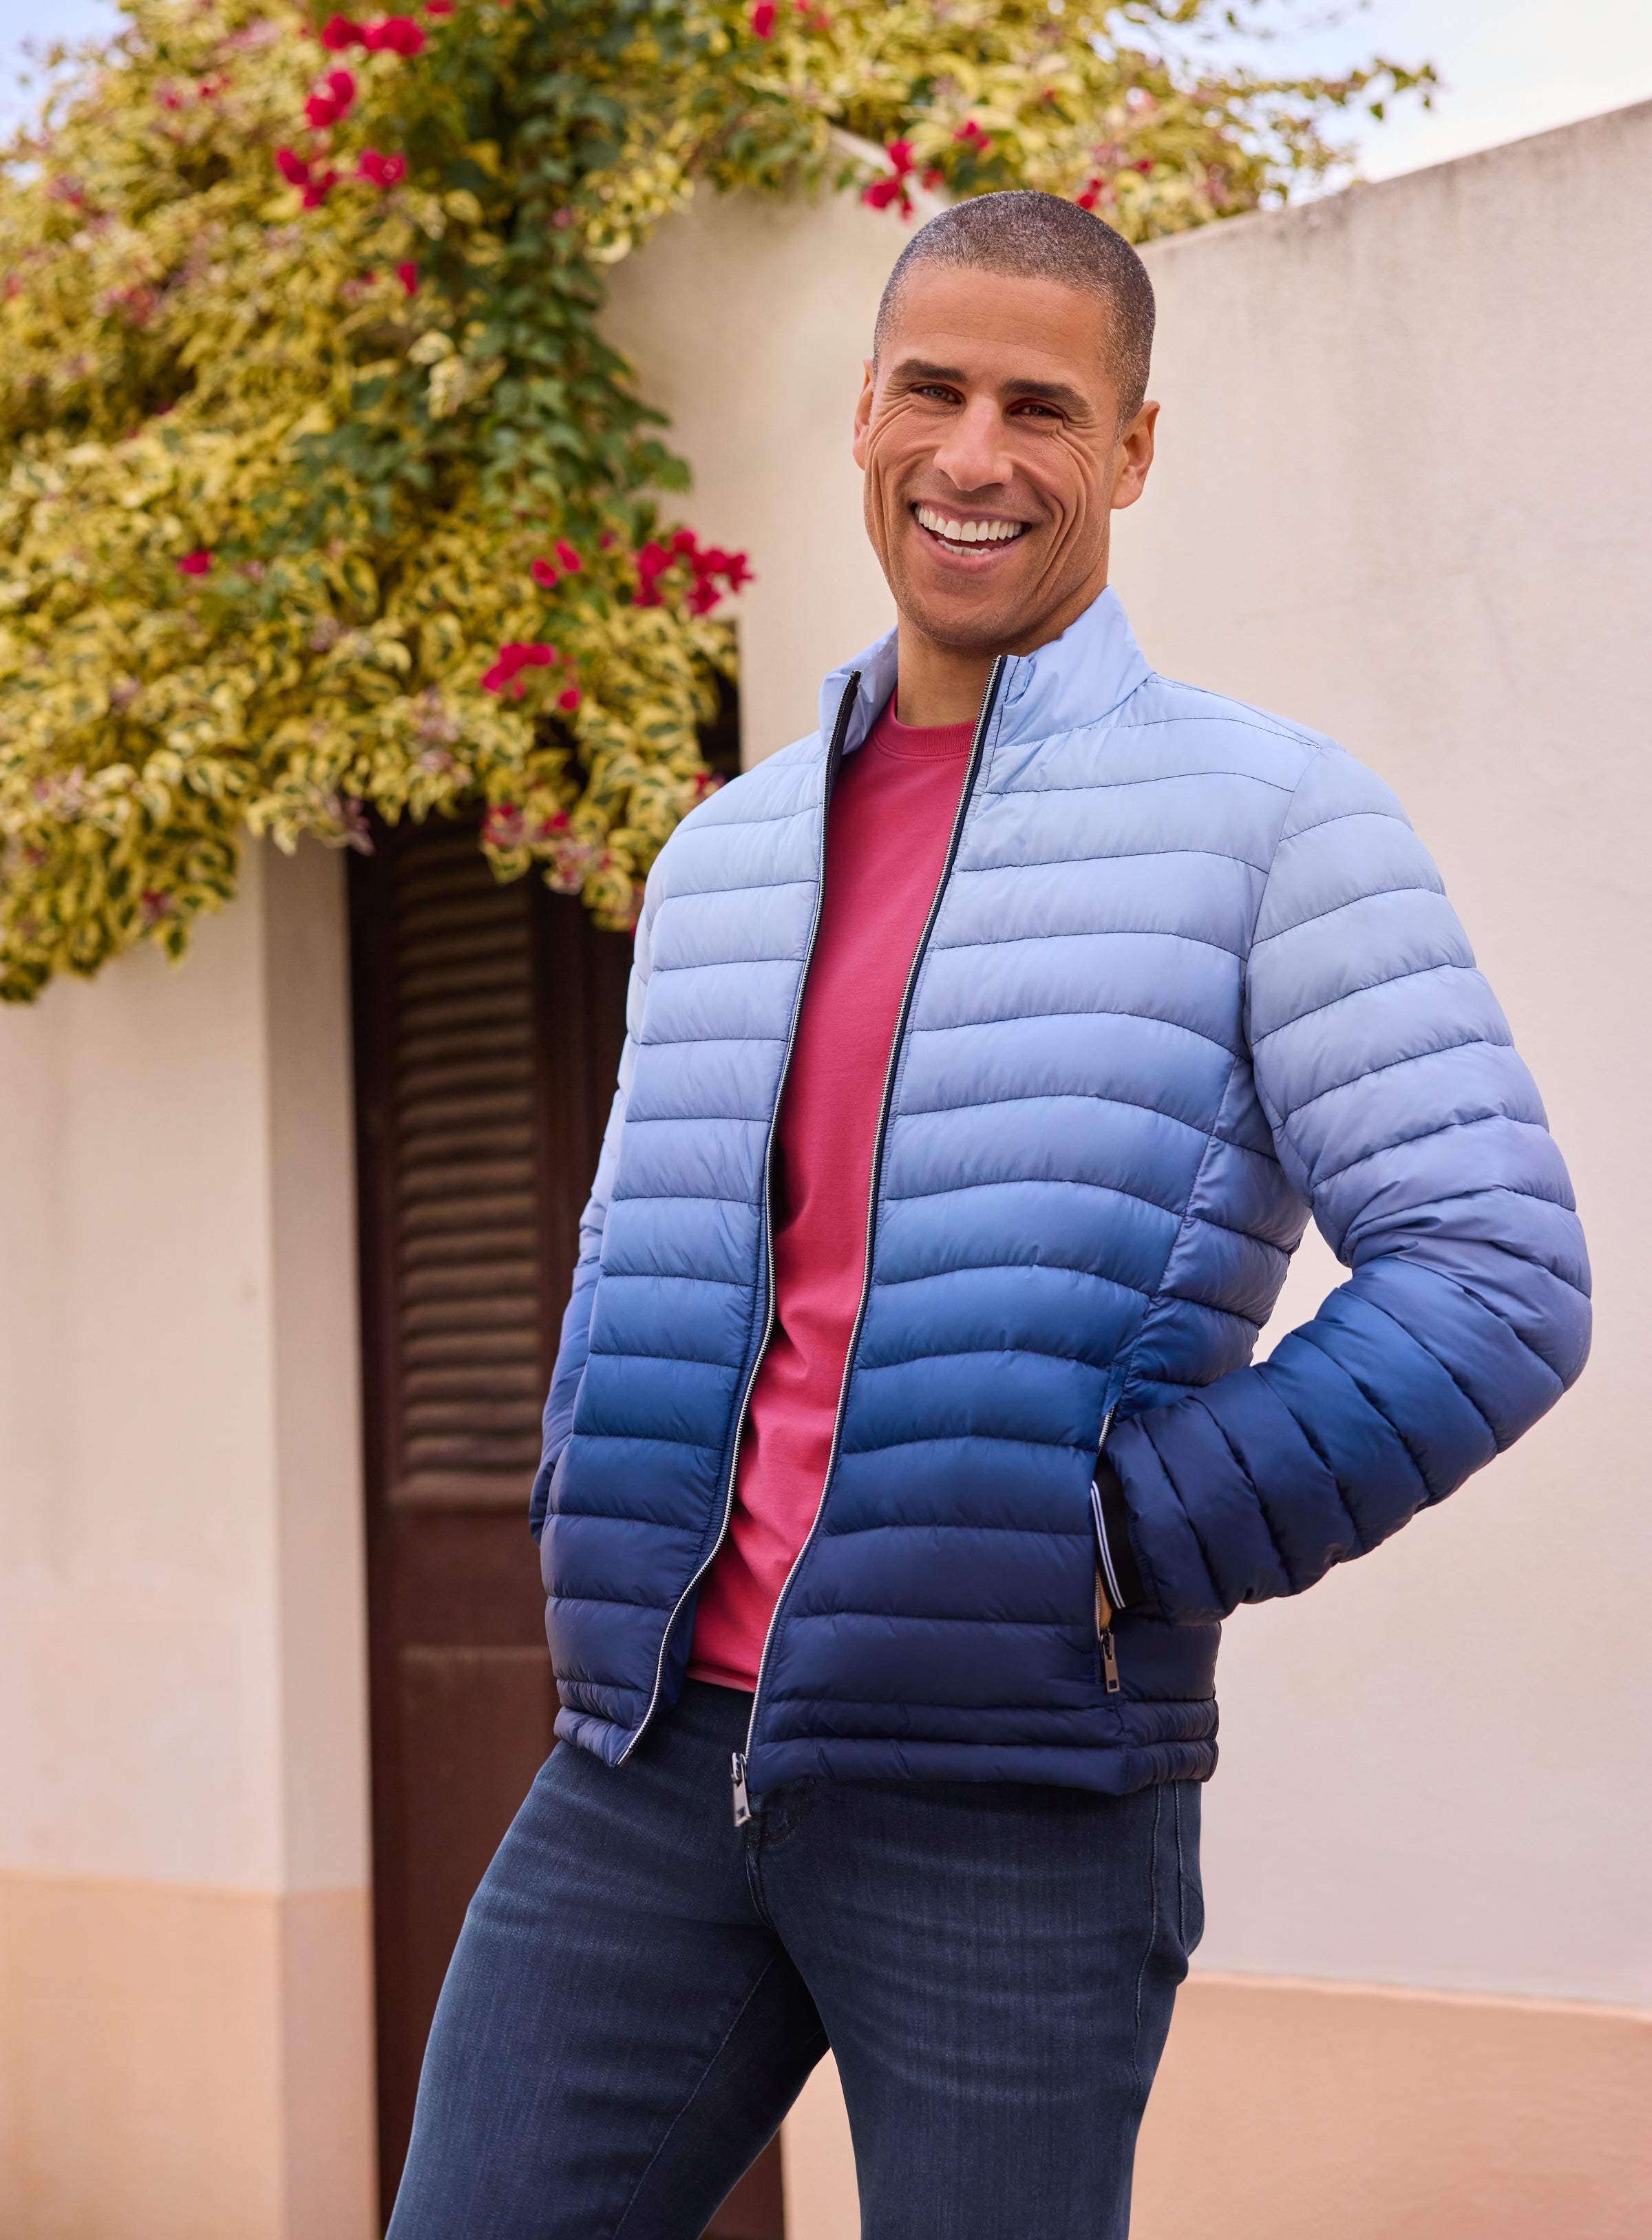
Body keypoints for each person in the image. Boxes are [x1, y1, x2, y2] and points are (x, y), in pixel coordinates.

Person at [388, 192, 1590, 2240]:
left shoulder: (1273, 821)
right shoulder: (723, 858)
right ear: (864, 411)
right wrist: (587, 1505)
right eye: (932, 391)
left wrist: (1117, 1540)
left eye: (1042, 407)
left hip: (1015, 1797)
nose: (975, 453)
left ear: (1132, 450)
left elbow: (1497, 1278)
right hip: (648, 1762)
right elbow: (639, 1259)